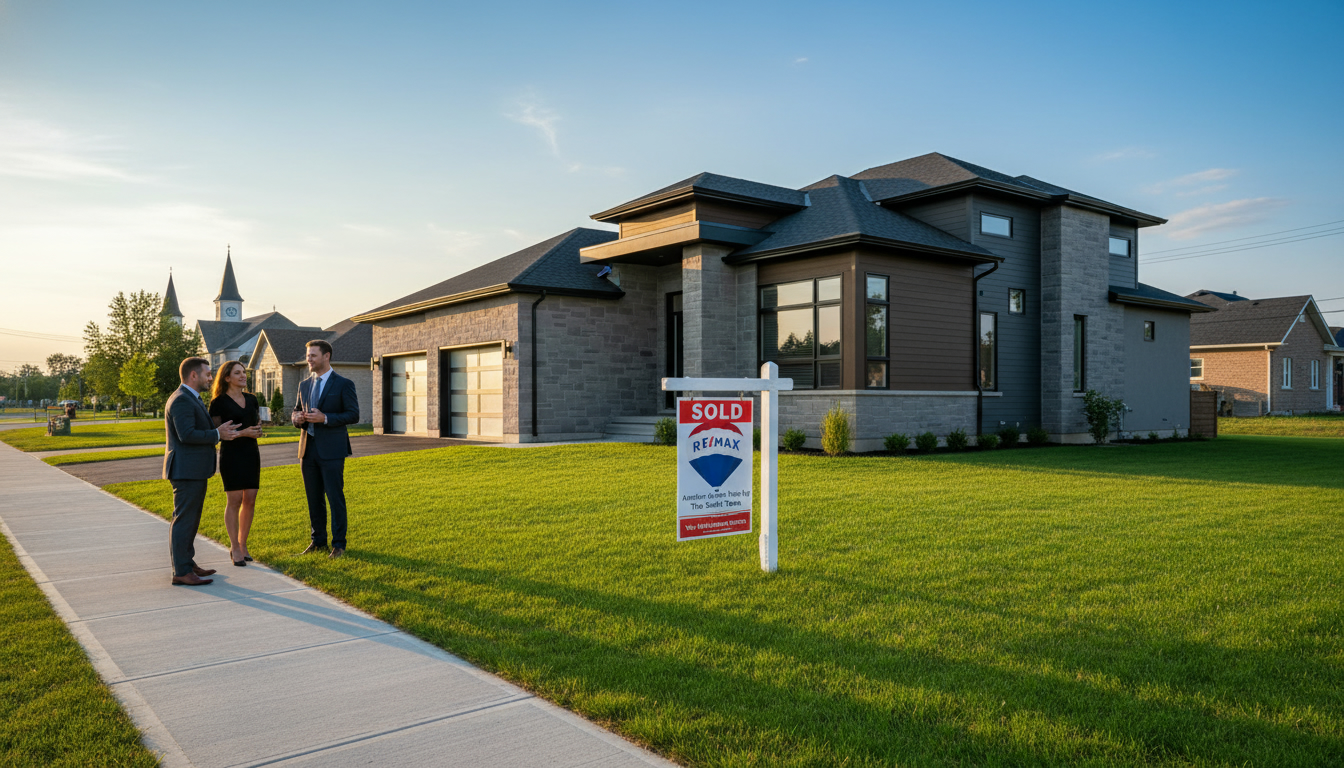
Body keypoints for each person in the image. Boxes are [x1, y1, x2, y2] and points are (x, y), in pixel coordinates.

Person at [163, 357, 240, 586]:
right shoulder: (181, 400)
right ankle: (182, 571)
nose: (210, 378)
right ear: (193, 375)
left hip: (193, 470)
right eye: (207, 374)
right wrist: (218, 434)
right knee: (184, 520)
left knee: (190, 519)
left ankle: (187, 562)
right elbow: (186, 434)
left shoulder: (190, 398)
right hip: (186, 471)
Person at [292, 340, 359, 558]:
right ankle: (317, 541)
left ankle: (339, 544)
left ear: (326, 356)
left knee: (334, 497)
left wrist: (326, 418)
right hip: (307, 450)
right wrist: (297, 418)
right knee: (313, 498)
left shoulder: (343, 384)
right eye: (307, 355)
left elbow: (353, 415)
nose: (308, 359)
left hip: (332, 451)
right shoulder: (304, 385)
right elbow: (295, 412)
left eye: (312, 355)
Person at [208, 360, 264, 566]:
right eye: (238, 373)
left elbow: (255, 422)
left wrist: (257, 429)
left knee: (250, 499)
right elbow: (219, 435)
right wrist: (243, 433)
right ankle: (234, 546)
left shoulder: (252, 399)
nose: (243, 376)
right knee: (234, 501)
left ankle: (243, 543)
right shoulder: (218, 403)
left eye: (244, 372)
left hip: (251, 453)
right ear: (227, 377)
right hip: (231, 455)